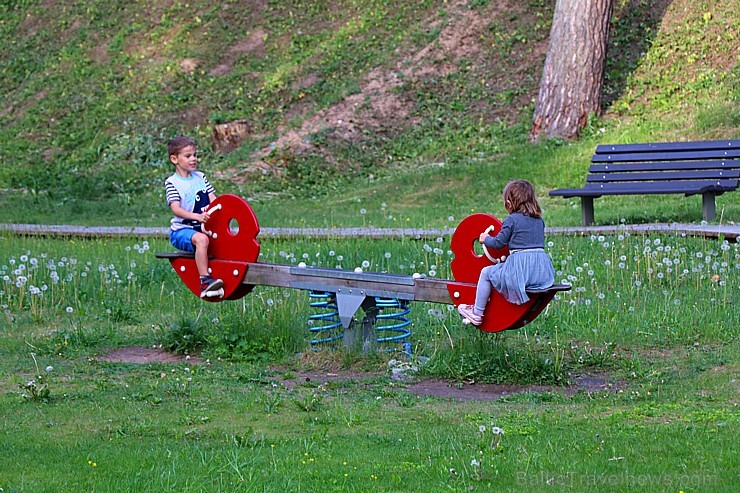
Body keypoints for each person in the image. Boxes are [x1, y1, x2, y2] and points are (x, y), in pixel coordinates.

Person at [458, 180, 555, 325]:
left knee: (486, 273)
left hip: (520, 270)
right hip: (540, 272)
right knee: (500, 271)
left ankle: (477, 312)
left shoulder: (512, 220)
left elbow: (498, 243)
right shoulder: (538, 221)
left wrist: (485, 239)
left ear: (509, 203)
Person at [164, 136, 224, 298]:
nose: (193, 159)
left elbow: (213, 200)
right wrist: (196, 216)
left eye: (195, 155)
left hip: (203, 228)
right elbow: (176, 209)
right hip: (182, 231)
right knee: (202, 240)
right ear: (174, 159)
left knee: (222, 240)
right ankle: (205, 281)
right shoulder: (172, 183)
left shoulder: (200, 177)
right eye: (188, 156)